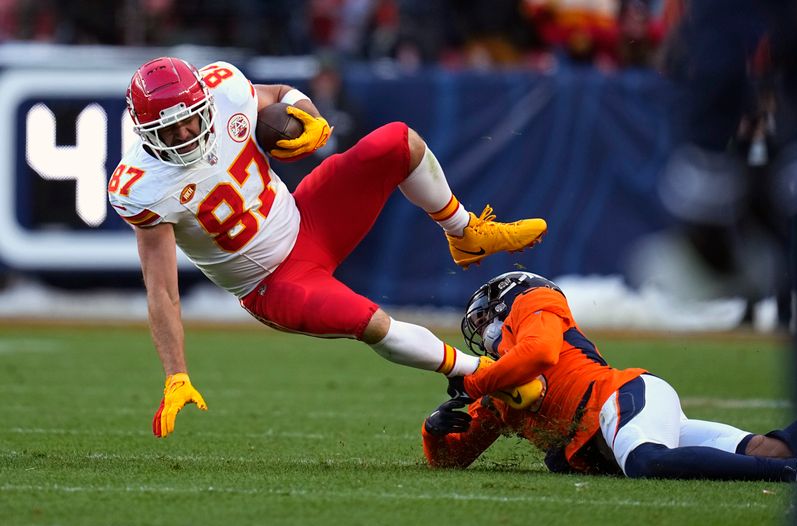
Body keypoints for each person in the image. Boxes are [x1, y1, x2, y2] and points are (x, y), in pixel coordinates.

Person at [107, 57, 547, 438]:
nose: (186, 133)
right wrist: (176, 375)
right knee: (373, 323)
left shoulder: (223, 87)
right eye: (171, 129)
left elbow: (279, 92)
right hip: (272, 283)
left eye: (192, 117)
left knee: (398, 141)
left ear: (205, 99)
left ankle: (465, 233)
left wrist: (308, 113)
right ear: (144, 133)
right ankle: (478, 374)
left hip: (306, 219)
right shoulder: (141, 187)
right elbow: (162, 291)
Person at [422, 271, 797, 482]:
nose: (483, 332)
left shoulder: (534, 302)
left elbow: (538, 352)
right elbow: (451, 461)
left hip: (622, 398)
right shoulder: (502, 387)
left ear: (508, 299)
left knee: (645, 462)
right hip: (628, 424)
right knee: (769, 449)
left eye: (485, 318)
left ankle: (789, 474)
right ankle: (785, 461)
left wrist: (473, 381)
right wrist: (434, 431)